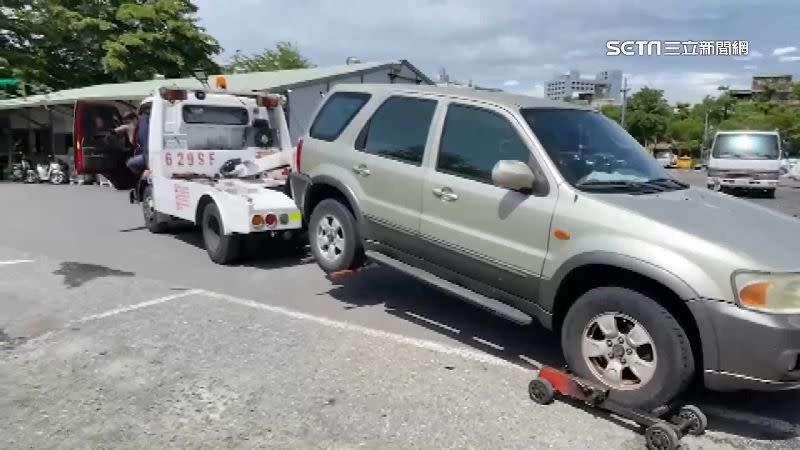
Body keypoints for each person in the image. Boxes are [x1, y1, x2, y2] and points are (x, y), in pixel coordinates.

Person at [125, 103, 151, 178]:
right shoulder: (140, 125)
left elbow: (146, 145)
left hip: (148, 155)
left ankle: (143, 177)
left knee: (130, 163)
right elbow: (134, 143)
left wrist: (149, 166)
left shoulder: (143, 124)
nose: (130, 124)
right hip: (145, 154)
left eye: (129, 122)